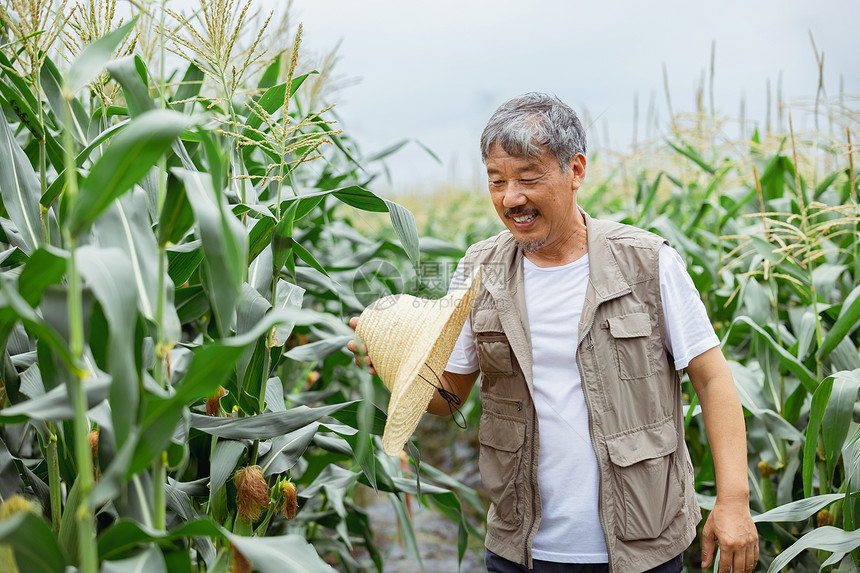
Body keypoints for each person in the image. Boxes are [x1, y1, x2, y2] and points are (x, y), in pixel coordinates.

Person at [349, 93, 758, 573]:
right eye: (496, 181)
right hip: (519, 549)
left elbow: (713, 379)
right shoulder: (478, 271)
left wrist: (733, 500)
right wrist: (397, 369)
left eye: (528, 178)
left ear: (575, 171)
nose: (510, 199)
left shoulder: (647, 263)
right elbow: (452, 397)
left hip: (642, 547)